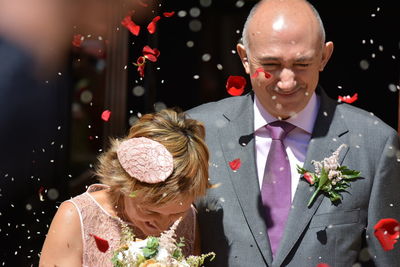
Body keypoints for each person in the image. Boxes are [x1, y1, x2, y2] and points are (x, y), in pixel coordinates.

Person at [188, 0, 400, 266]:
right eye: (271, 64)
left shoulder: (375, 144)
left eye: (302, 64)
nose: (287, 81)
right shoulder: (195, 133)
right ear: (244, 58)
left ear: (324, 56)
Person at [39, 108, 211, 267]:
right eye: (151, 211)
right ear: (125, 185)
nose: (163, 224)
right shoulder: (76, 216)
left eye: (175, 214)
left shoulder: (188, 218)